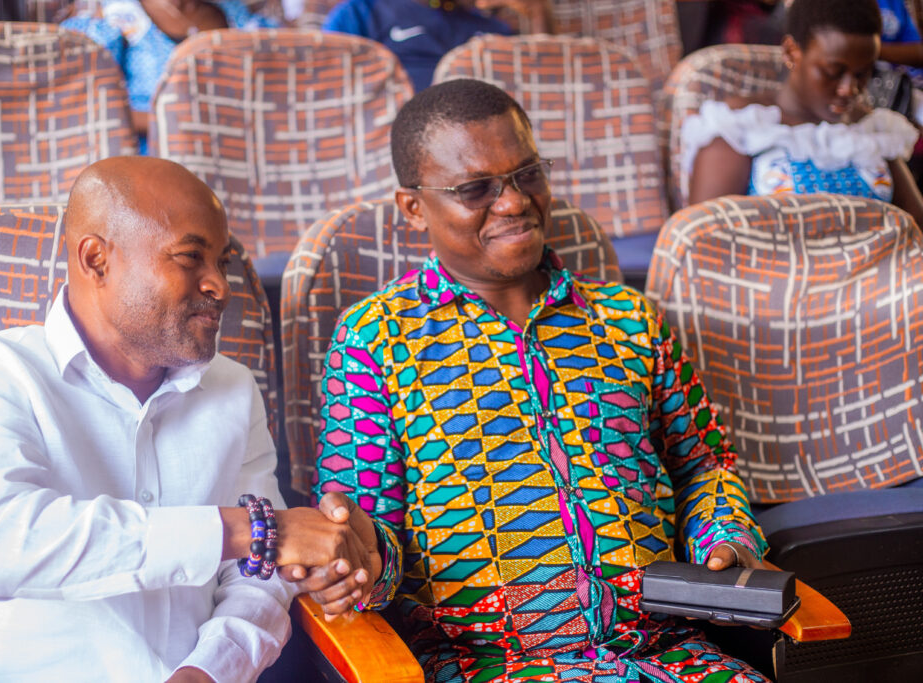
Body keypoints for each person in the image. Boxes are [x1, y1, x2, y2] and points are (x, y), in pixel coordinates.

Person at [312, 78, 771, 682]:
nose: (512, 203)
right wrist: (359, 562)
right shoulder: (375, 340)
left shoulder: (629, 319)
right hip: (491, 667)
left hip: (670, 655)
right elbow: (371, 534)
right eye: (475, 189)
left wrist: (724, 535)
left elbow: (704, 463)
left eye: (526, 174)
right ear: (414, 207)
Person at [0, 157, 377, 682]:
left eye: (222, 263)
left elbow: (260, 576)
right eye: (191, 257)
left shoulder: (233, 389)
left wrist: (208, 671)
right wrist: (245, 529)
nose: (220, 286)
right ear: (96, 260)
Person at [683, 0, 923, 229]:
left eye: (862, 74)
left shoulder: (872, 129)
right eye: (833, 72)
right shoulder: (739, 127)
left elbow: (918, 227)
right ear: (791, 52)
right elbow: (703, 241)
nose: (849, 89)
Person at [61, 0, 275, 151]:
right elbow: (89, 106)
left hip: (230, 151)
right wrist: (180, 122)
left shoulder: (235, 13)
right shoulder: (116, 13)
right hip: (151, 158)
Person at [322, 0, 554, 91]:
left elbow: (543, 84)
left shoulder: (491, 26)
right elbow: (329, 84)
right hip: (399, 138)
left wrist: (538, 12)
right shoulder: (361, 12)